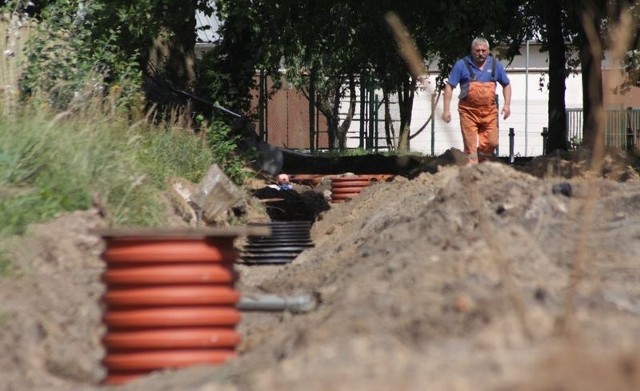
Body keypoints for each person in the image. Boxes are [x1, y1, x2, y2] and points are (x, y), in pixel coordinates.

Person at [442, 37, 512, 165]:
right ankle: (471, 174)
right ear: (472, 51)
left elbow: (506, 85)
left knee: (492, 142)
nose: (480, 53)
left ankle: (482, 165)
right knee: (471, 148)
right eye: (477, 50)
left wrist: (507, 105)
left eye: (484, 50)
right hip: (468, 113)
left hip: (489, 113)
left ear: (488, 50)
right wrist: (446, 110)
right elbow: (449, 86)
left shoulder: (496, 65)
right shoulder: (461, 65)